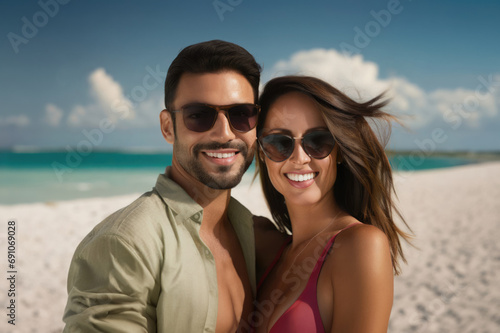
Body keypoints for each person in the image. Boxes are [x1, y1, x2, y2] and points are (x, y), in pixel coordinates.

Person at [63, 40, 262, 332]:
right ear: (168, 127)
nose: (224, 132)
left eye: (241, 114)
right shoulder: (125, 244)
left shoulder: (253, 233)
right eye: (199, 115)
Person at [251, 76, 412, 332]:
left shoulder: (361, 245)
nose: (300, 158)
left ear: (338, 150)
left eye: (317, 141)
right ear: (261, 151)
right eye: (279, 143)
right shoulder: (267, 246)